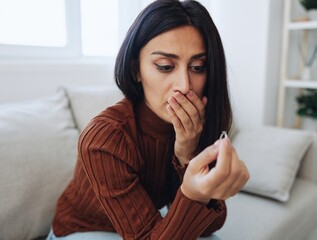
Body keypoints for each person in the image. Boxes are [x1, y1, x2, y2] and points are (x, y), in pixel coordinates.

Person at [47, 0, 249, 239]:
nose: (184, 86)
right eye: (165, 67)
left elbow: (210, 227)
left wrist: (187, 153)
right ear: (136, 70)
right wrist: (192, 193)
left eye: (197, 67)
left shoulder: (198, 124)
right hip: (83, 231)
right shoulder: (104, 138)